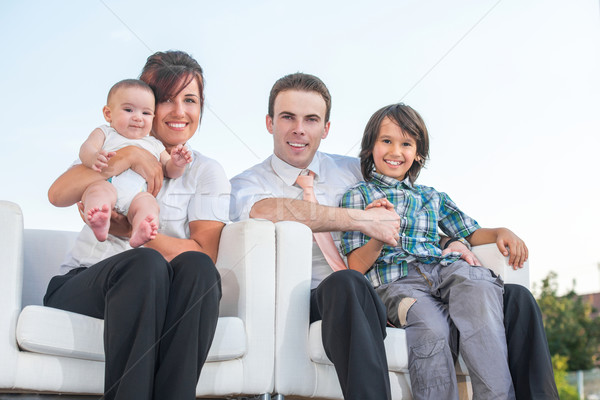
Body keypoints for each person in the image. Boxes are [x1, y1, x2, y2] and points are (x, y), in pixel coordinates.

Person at [230, 72, 558, 400]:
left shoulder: (353, 169)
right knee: (350, 285)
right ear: (270, 123)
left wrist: (451, 242)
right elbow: (265, 211)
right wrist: (362, 221)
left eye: (311, 119)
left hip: (407, 277)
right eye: (288, 117)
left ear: (325, 128)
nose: (299, 129)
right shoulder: (248, 183)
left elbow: (411, 206)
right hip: (318, 295)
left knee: (515, 298)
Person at [45, 50, 230, 400]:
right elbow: (57, 193)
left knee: (198, 268)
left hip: (159, 290)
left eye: (190, 100)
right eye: (166, 100)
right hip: (85, 283)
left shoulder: (205, 170)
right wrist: (128, 157)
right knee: (145, 264)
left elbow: (205, 250)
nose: (179, 111)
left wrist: (132, 233)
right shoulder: (113, 145)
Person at [340, 103, 518, 399]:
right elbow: (356, 268)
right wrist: (380, 234)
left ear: (418, 153)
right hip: (396, 282)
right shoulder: (357, 196)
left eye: (406, 143)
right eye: (386, 141)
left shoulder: (431, 196)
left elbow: (469, 232)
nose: (395, 151)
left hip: (442, 268)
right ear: (371, 146)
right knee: (431, 327)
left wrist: (500, 232)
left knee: (477, 286)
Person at [79, 78, 192, 247]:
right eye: (129, 110)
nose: (138, 118)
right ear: (108, 113)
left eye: (146, 113)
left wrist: (177, 163)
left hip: (136, 196)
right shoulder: (106, 133)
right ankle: (100, 218)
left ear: (153, 117)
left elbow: (170, 170)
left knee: (149, 203)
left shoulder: (154, 144)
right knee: (97, 190)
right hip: (108, 184)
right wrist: (94, 156)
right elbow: (86, 148)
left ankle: (141, 228)